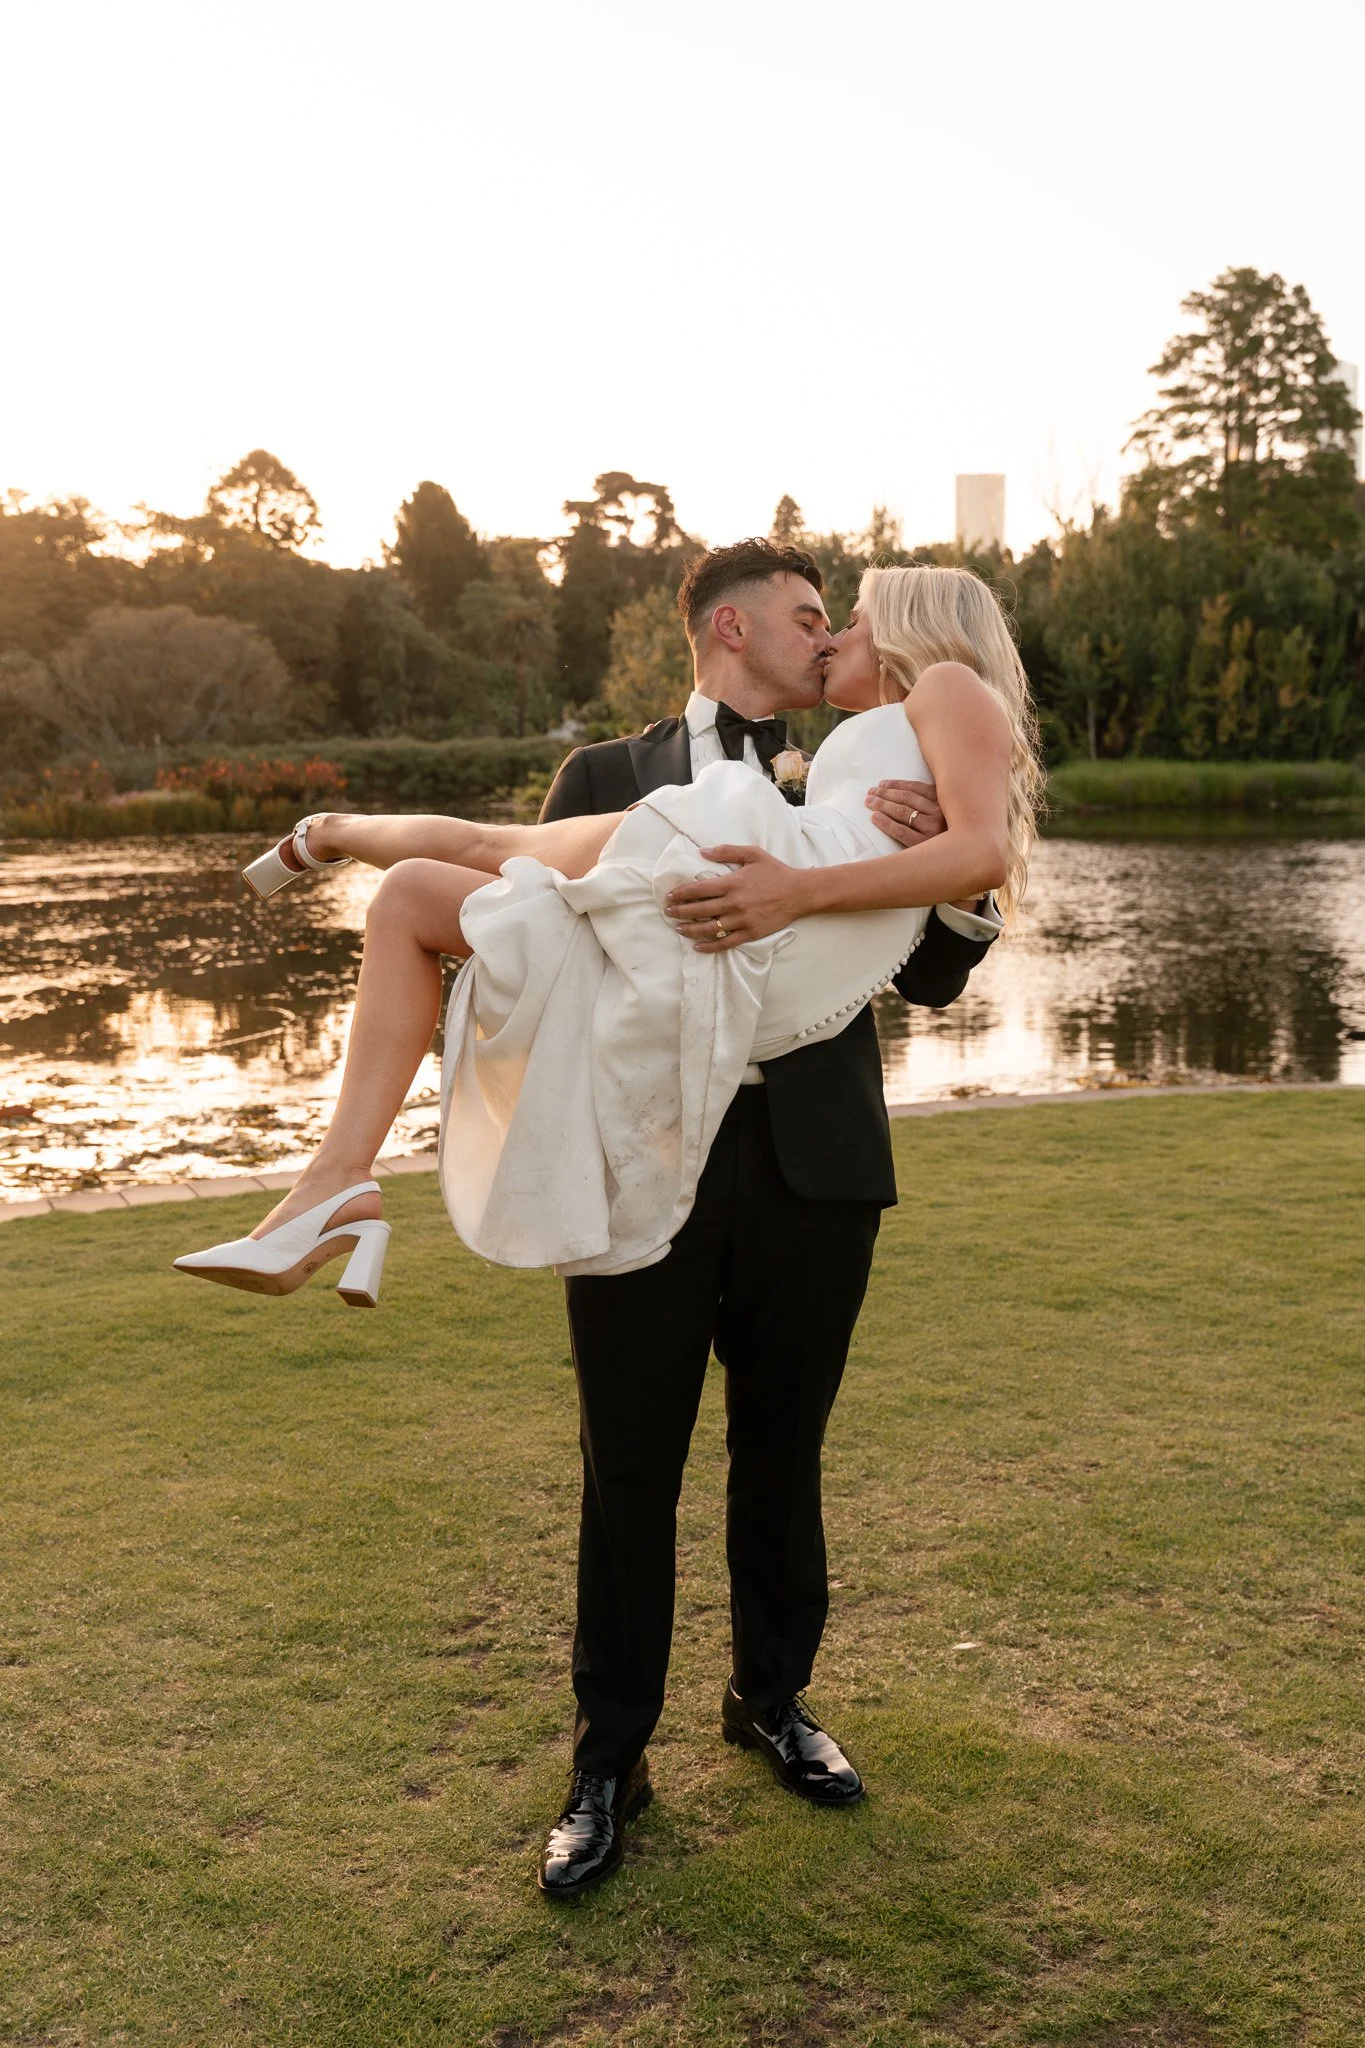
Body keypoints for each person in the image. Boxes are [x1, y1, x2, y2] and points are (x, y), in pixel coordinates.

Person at [174, 546, 1037, 1895]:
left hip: (812, 1166)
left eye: (844, 623)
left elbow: (926, 978)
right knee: (626, 1467)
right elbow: (530, 944)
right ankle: (607, 1764)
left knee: (784, 1453)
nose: (829, 643)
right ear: (730, 628)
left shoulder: (869, 764)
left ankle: (771, 1705)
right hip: (641, 1164)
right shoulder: (601, 777)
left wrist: (958, 883)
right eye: (813, 620)